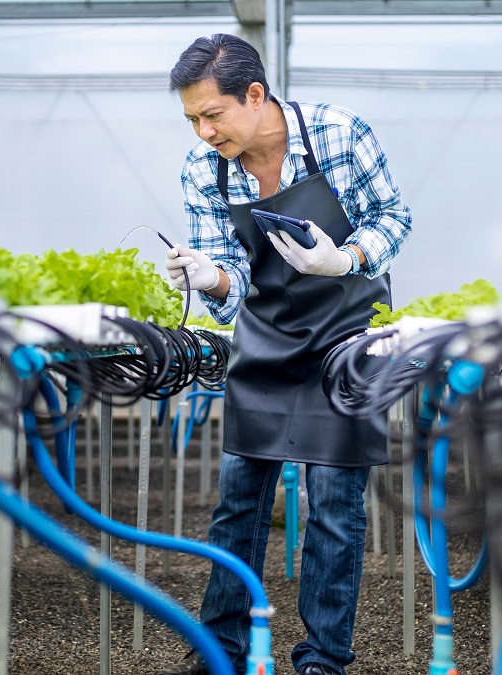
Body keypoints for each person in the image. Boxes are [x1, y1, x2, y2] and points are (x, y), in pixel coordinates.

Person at [155, 34, 412, 675]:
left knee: (333, 505)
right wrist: (209, 277)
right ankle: (221, 648)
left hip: (348, 333)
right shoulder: (202, 170)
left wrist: (344, 258)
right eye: (192, 119)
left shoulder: (339, 135)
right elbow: (233, 274)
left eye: (212, 115)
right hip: (266, 338)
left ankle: (323, 658)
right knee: (239, 501)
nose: (203, 132)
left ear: (255, 95)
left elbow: (394, 215)